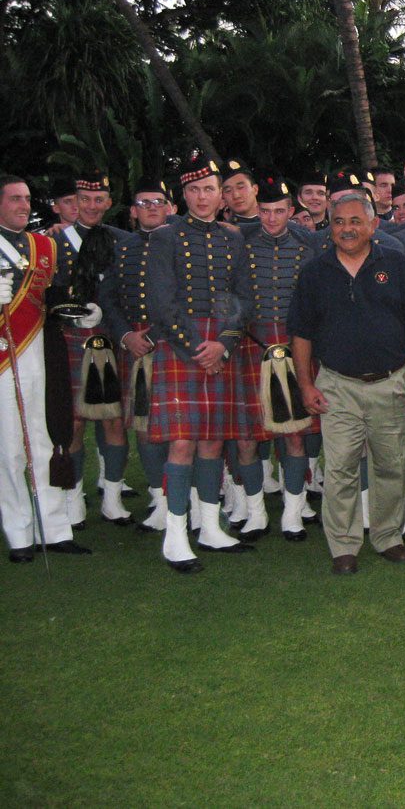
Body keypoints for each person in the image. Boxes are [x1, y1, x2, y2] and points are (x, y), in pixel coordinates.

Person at [289, 192, 405, 575]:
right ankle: (344, 546)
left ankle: (388, 537)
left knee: (391, 465)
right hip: (337, 385)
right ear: (329, 228)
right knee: (340, 469)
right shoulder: (315, 273)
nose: (347, 229)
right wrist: (305, 385)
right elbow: (301, 336)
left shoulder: (397, 265)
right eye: (339, 222)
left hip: (390, 383)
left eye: (355, 221)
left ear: (372, 225)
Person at [146, 153, 255, 573]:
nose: (203, 196)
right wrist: (198, 345)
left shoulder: (232, 237)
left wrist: (223, 344)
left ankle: (210, 527)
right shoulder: (165, 238)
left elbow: (242, 298)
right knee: (182, 442)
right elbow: (161, 302)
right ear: (183, 196)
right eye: (194, 190)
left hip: (221, 345)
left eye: (210, 189)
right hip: (182, 346)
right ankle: (176, 536)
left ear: (220, 195)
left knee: (213, 441)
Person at [233, 173, 319, 542]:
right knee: (248, 438)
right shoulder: (241, 244)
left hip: (295, 346)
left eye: (279, 211)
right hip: (251, 348)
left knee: (295, 437)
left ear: (291, 210)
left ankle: (293, 513)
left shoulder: (309, 245)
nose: (271, 218)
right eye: (265, 211)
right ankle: (254, 513)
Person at [0, 175, 82, 561]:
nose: (23, 205)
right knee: (9, 449)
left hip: (43, 353)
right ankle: (19, 532)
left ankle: (55, 527)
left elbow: (61, 293)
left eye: (27, 198)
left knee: (48, 439)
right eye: (15, 198)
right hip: (4, 358)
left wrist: (77, 309)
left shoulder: (45, 246)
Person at [52, 170, 133, 527]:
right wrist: (68, 312)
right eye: (85, 199)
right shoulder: (53, 242)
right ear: (75, 201)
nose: (92, 206)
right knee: (72, 423)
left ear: (109, 203)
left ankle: (112, 497)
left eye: (99, 199)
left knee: (114, 418)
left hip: (110, 338)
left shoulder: (123, 241)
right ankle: (73, 499)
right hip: (70, 339)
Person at [96, 179, 177, 533]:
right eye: (144, 203)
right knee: (144, 426)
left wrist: (158, 335)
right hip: (136, 347)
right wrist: (126, 335)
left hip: (177, 344)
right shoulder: (122, 247)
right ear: (132, 211)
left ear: (170, 207)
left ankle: (185, 496)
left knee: (181, 427)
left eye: (158, 202)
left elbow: (193, 296)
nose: (152, 208)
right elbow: (108, 297)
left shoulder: (184, 243)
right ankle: (159, 498)